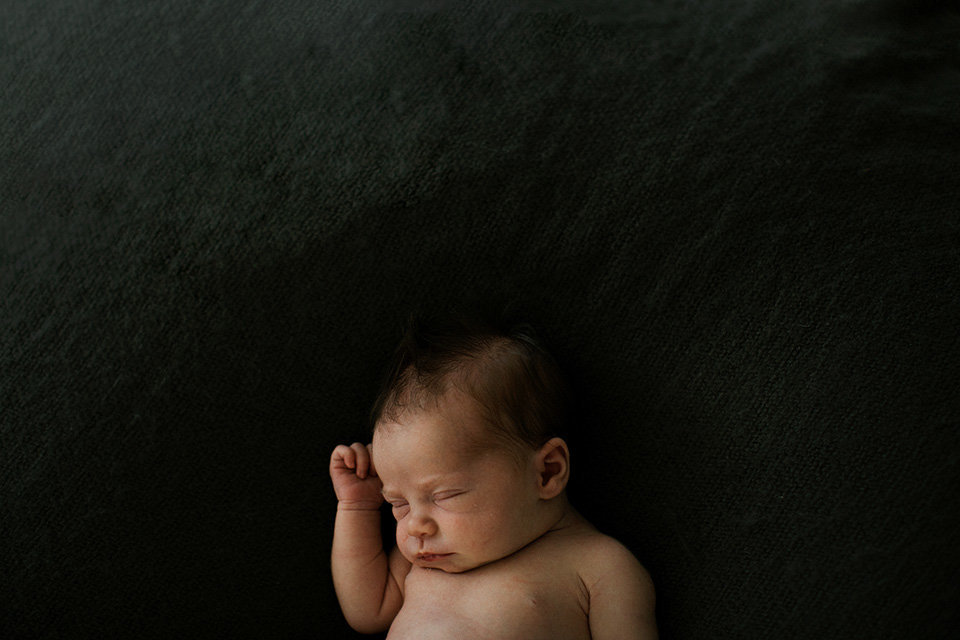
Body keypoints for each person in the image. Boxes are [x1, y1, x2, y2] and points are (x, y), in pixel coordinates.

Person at [329, 311, 657, 638]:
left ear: (547, 472)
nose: (414, 525)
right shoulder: (424, 560)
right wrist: (357, 507)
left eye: (445, 495)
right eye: (397, 504)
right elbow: (365, 611)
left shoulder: (599, 566)